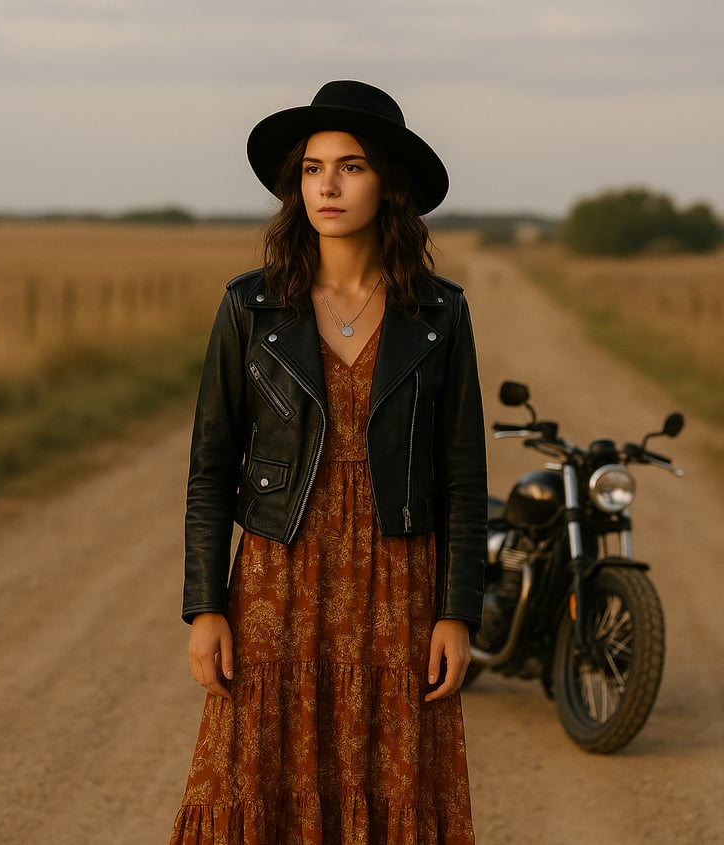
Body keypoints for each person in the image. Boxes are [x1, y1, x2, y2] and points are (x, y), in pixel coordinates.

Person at [169, 80, 487, 844]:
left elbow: (464, 479)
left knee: (390, 782)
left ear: (389, 184)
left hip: (398, 584)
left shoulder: (440, 314)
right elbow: (211, 465)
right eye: (313, 169)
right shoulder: (251, 307)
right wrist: (205, 604)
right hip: (278, 579)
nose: (329, 186)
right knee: (257, 779)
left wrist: (458, 610)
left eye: (350, 166)